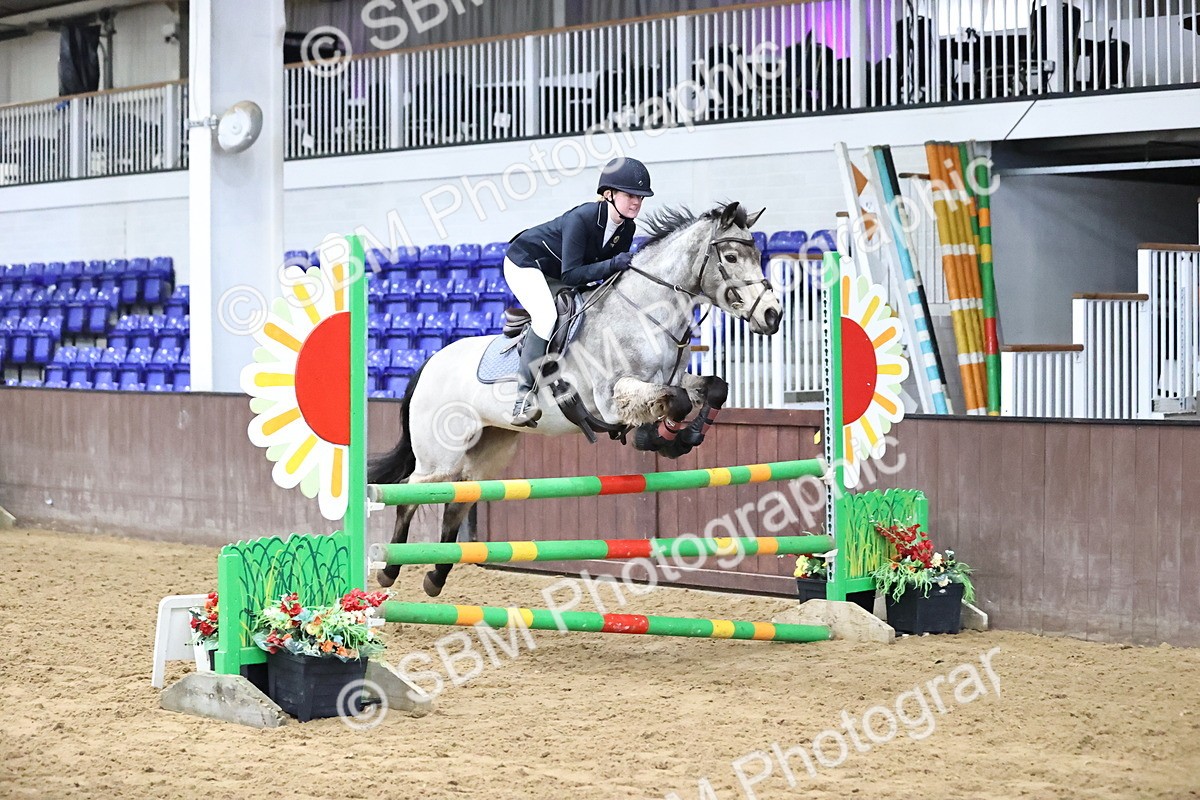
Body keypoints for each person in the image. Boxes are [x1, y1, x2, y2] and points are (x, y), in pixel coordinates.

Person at [502, 156, 653, 427]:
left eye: (640, 198)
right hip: (526, 263)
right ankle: (523, 398)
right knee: (547, 316)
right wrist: (612, 264)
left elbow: (605, 276)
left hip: (558, 271)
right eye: (630, 195)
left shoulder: (626, 228)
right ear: (609, 194)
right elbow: (571, 275)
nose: (636, 203)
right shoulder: (582, 218)